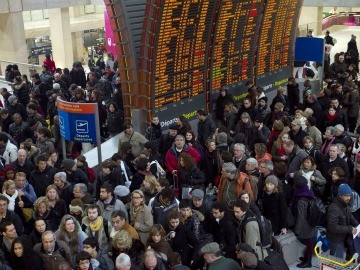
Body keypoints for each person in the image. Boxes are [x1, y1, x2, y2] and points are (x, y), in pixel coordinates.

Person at [327, 184, 359, 259]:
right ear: (340, 195)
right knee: (337, 261)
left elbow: (351, 217)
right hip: (336, 240)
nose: (348, 198)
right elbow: (332, 227)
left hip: (342, 236)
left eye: (350, 195)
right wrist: (350, 229)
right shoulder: (334, 208)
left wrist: (358, 226)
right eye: (346, 195)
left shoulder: (345, 204)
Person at [291, 175, 316, 268]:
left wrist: (297, 230)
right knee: (310, 241)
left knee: (309, 242)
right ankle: (306, 257)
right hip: (311, 222)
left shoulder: (301, 199)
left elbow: (301, 216)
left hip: (305, 225)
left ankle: (308, 262)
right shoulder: (308, 192)